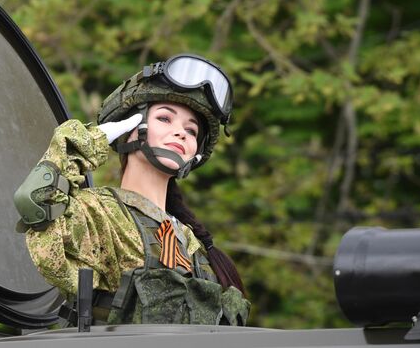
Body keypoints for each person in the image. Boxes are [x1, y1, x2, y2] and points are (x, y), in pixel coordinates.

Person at [14, 53, 250, 326]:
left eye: (192, 130)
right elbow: (36, 201)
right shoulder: (99, 214)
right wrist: (93, 140)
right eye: (165, 119)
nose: (181, 133)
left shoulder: (194, 246)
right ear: (130, 129)